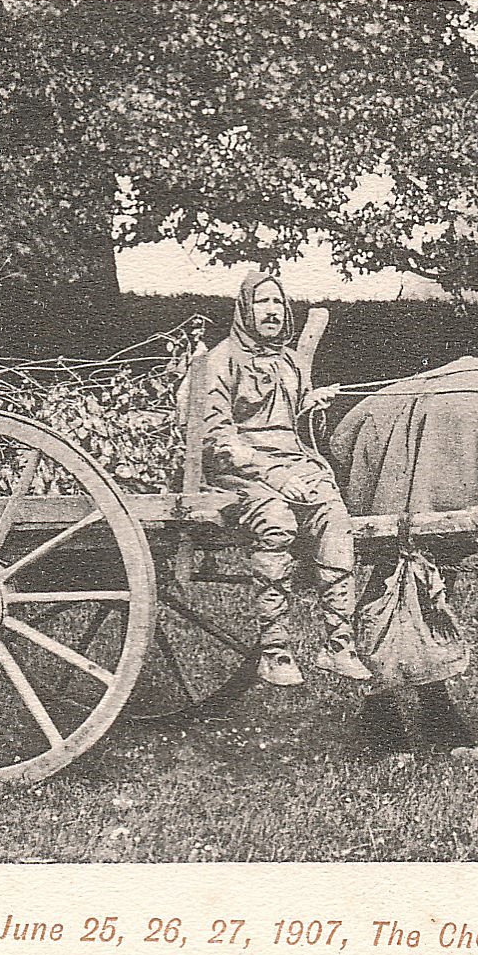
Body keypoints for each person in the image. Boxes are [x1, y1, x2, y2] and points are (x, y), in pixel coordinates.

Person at [203, 269, 371, 686]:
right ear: (245, 309)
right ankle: (274, 649)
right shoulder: (220, 360)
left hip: (293, 465)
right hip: (239, 474)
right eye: (262, 302)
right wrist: (273, 476)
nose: (272, 311)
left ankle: (338, 644)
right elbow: (217, 437)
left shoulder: (289, 363)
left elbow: (285, 422)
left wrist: (309, 403)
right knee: (277, 522)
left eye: (278, 303)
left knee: (335, 520)